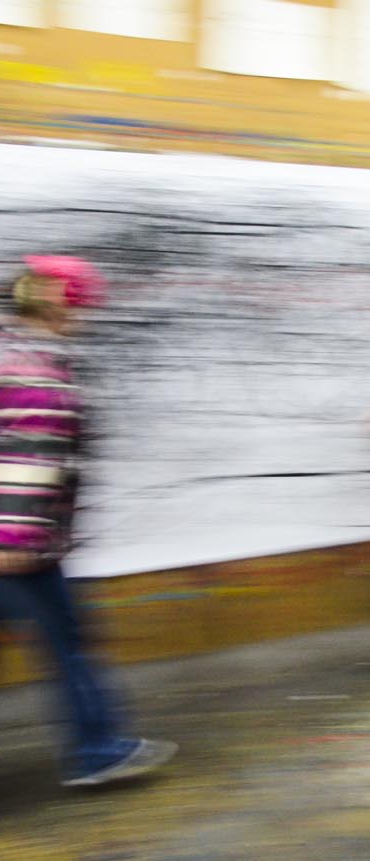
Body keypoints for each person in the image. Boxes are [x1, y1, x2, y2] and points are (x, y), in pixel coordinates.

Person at [0, 255, 177, 787]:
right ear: (55, 302)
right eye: (79, 305)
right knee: (70, 644)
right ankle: (97, 751)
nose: (84, 316)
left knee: (71, 641)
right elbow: (30, 456)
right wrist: (13, 538)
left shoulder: (20, 353)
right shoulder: (34, 367)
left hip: (30, 542)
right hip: (18, 543)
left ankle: (98, 750)